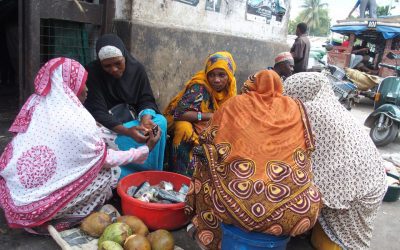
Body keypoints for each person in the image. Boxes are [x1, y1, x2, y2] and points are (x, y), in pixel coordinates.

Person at [0, 57, 160, 232]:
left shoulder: (38, 104)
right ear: (69, 86)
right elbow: (106, 158)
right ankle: (59, 218)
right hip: (34, 209)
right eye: (83, 83)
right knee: (107, 174)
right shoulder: (77, 121)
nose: (87, 89)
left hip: (15, 196)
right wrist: (146, 149)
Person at [185, 70, 321, 250]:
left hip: (234, 206)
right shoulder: (295, 107)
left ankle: (211, 237)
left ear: (250, 85)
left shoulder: (235, 104)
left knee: (206, 161)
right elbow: (309, 148)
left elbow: (208, 137)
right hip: (298, 212)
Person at [283, 72, 386, 250]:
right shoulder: (331, 105)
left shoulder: (312, 111)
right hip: (371, 181)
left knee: (334, 240)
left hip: (355, 190)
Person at [84, 34, 166, 178]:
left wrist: (145, 119)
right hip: (108, 125)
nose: (114, 69)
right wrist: (127, 131)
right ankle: (123, 175)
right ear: (100, 63)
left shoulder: (137, 69)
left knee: (159, 123)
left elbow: (146, 98)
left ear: (125, 57)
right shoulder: (92, 73)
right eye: (107, 66)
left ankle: (150, 172)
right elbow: (98, 112)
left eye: (118, 63)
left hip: (132, 120)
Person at [164, 51, 237, 176]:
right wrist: (207, 116)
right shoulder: (199, 87)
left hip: (208, 126)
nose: (216, 80)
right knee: (183, 128)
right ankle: (181, 174)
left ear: (229, 75)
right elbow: (179, 113)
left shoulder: (231, 89)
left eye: (221, 75)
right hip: (188, 122)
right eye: (212, 75)